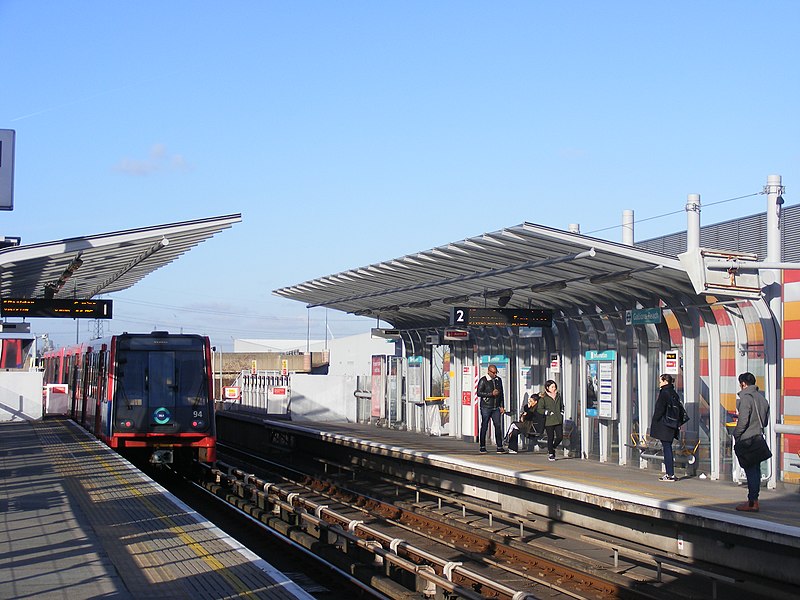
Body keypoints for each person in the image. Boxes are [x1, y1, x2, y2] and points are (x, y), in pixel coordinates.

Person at [732, 372, 770, 512]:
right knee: (756, 470)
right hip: (758, 438)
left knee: (750, 471)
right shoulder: (762, 399)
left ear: (743, 384)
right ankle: (754, 499)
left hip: (748, 440)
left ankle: (752, 501)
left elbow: (743, 421)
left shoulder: (746, 399)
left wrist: (736, 434)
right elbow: (764, 422)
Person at [650, 373, 682, 482]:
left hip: (665, 425)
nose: (659, 383)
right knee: (668, 448)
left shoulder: (664, 393)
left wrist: (655, 420)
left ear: (665, 381)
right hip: (672, 425)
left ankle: (670, 474)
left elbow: (660, 409)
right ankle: (670, 474)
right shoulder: (673, 392)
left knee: (667, 448)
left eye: (660, 381)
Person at [477, 364, 507, 453]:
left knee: (498, 426)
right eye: (493, 373)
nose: (495, 374)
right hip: (486, 407)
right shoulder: (483, 380)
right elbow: (479, 393)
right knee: (484, 426)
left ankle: (499, 446)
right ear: (489, 372)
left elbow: (501, 394)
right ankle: (482, 446)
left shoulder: (498, 380)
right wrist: (491, 394)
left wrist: (502, 406)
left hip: (496, 407)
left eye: (496, 372)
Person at [537, 380, 564, 461]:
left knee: (560, 436)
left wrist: (561, 412)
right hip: (549, 421)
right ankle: (551, 453)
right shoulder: (544, 398)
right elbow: (539, 409)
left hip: (558, 419)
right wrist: (547, 412)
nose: (554, 388)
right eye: (552, 387)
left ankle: (553, 447)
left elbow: (561, 405)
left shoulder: (558, 396)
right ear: (547, 388)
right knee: (550, 437)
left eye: (554, 386)